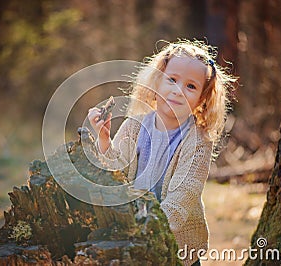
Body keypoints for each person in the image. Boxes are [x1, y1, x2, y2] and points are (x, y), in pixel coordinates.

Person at [88, 40, 237, 266]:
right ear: (156, 82)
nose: (178, 90)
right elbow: (114, 170)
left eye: (191, 86)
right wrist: (104, 139)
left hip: (176, 247)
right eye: (172, 80)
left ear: (202, 100)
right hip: (133, 236)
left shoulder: (197, 142)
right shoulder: (134, 126)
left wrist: (148, 231)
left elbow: (183, 197)